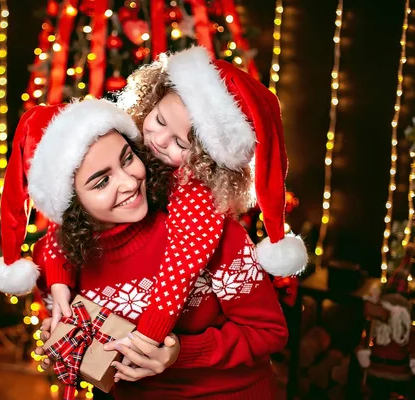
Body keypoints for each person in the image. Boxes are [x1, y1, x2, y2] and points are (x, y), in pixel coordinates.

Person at [0, 98, 288, 399]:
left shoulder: (211, 232)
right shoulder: (55, 262)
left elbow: (269, 332)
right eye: (102, 181)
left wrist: (179, 354)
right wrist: (68, 342)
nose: (129, 182)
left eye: (128, 158)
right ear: (70, 202)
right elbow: (104, 354)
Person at [38, 46, 308, 346]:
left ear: (206, 158)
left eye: (181, 142)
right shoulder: (129, 141)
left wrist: (150, 340)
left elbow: (181, 269)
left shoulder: (196, 196)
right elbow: (64, 202)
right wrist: (59, 280)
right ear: (152, 98)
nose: (159, 140)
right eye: (160, 120)